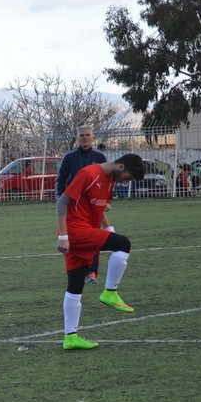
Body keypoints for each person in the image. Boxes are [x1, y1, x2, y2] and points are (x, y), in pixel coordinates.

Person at [56, 153, 144, 350]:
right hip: (76, 231)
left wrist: (108, 228)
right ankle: (110, 292)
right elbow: (62, 202)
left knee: (75, 285)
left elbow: (99, 207)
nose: (125, 182)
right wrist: (63, 236)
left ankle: (70, 337)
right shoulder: (88, 174)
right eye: (127, 178)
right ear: (121, 167)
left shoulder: (110, 180)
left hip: (83, 231)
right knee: (123, 244)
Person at [56, 126, 107, 284]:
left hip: (92, 205)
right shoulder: (69, 157)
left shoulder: (99, 156)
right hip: (73, 205)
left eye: (88, 135)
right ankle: (78, 270)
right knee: (75, 237)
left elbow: (106, 180)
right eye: (82, 135)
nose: (85, 137)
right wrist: (61, 199)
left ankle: (92, 272)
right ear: (78, 138)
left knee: (95, 236)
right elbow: (61, 179)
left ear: (92, 137)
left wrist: (106, 200)